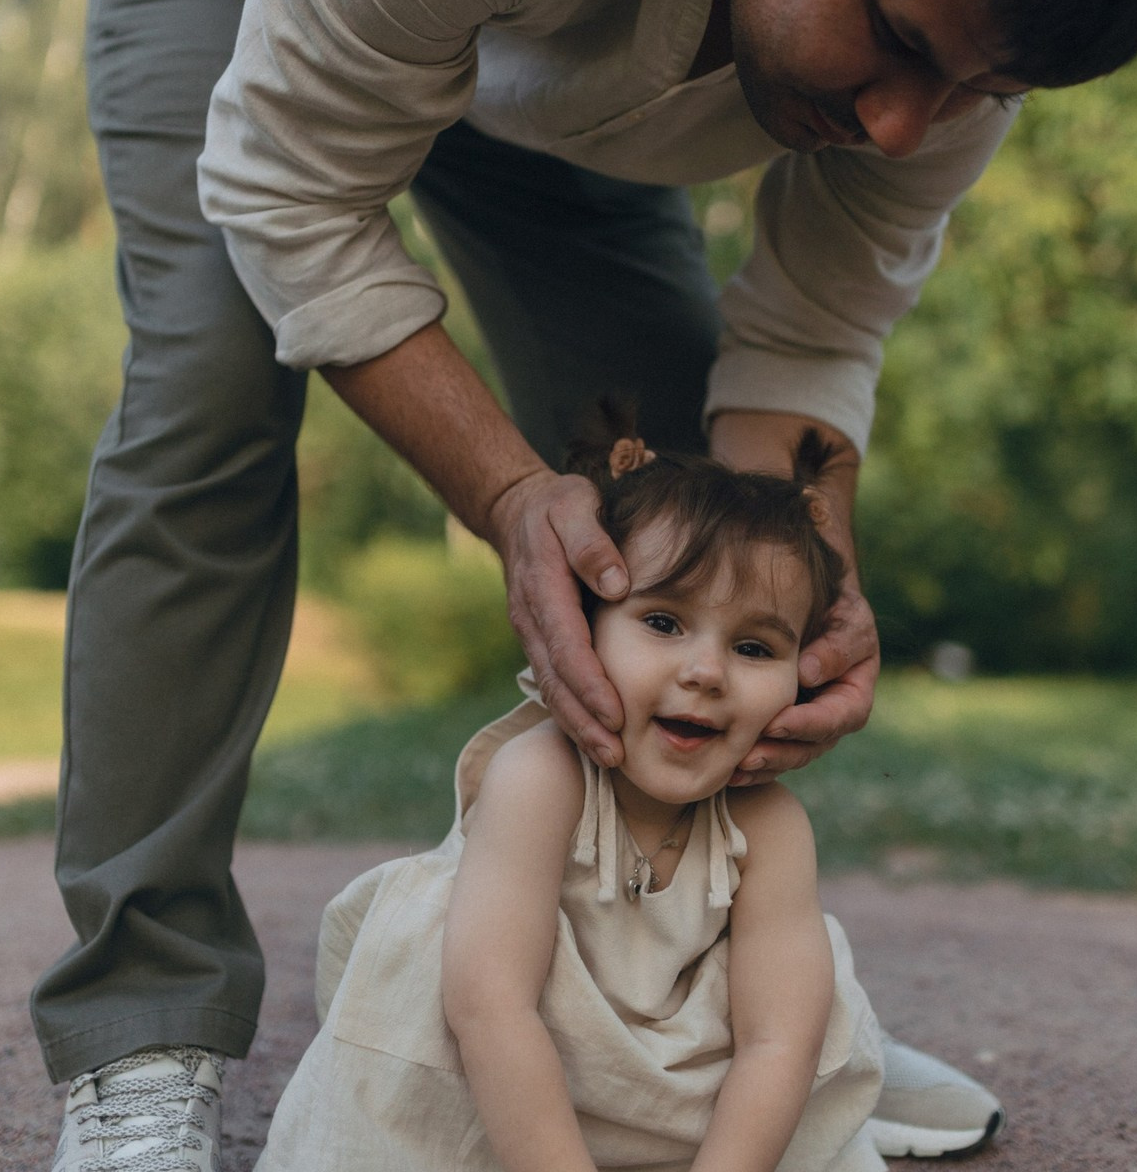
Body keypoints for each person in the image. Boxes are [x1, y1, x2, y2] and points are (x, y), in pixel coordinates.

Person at [40, 0, 1137, 1168]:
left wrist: (798, 587)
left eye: (974, 90)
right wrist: (503, 492)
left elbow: (809, 339)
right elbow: (288, 190)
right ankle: (139, 1029)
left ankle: (708, 1026)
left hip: (539, 58)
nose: (898, 126)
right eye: (894, 35)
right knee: (211, 383)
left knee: (692, 507)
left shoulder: (948, 62)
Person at [257, 420, 888, 1172]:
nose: (706, 670)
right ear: (581, 629)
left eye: (754, 648)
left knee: (807, 990)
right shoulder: (540, 777)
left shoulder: (770, 825)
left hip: (676, 1115)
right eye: (662, 622)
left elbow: (776, 1042)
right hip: (491, 1099)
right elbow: (489, 1010)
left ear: (805, 674)